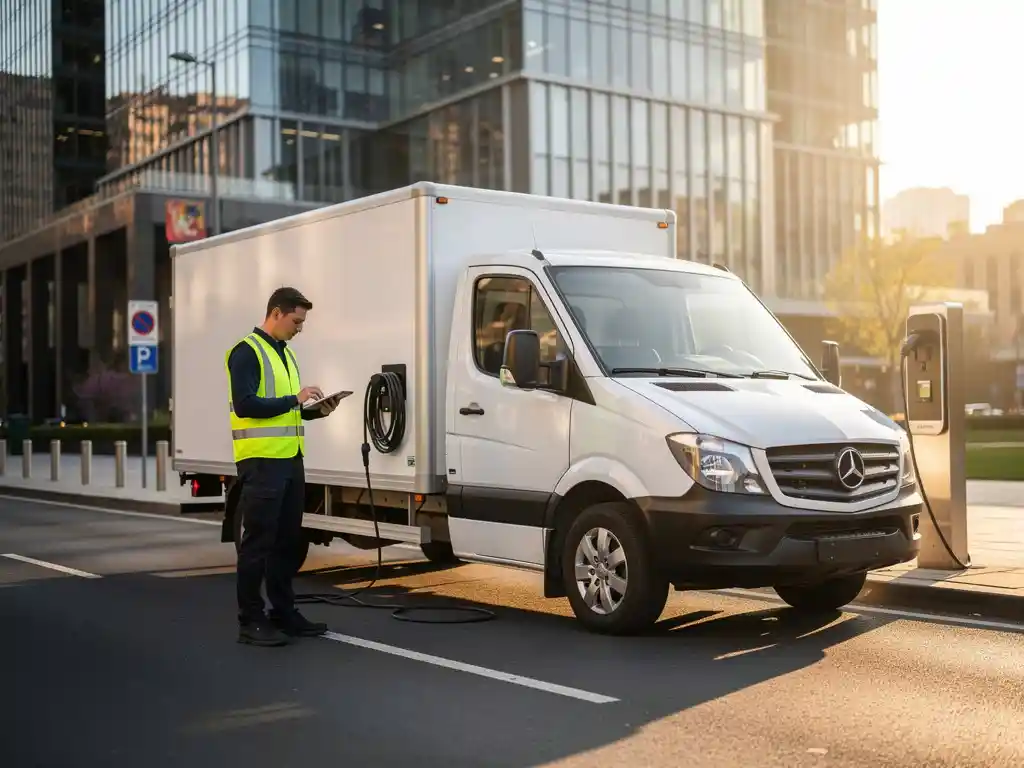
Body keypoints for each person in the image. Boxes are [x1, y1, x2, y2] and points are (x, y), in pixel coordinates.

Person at [226, 286, 342, 647]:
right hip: (261, 463)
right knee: (258, 543)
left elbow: (282, 410)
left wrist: (313, 411)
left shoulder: (286, 355)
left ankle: (284, 612)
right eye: (296, 320)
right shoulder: (246, 352)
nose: (299, 328)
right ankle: (250, 620)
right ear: (276, 313)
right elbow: (246, 405)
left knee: (288, 543)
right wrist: (295, 398)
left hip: (290, 460)